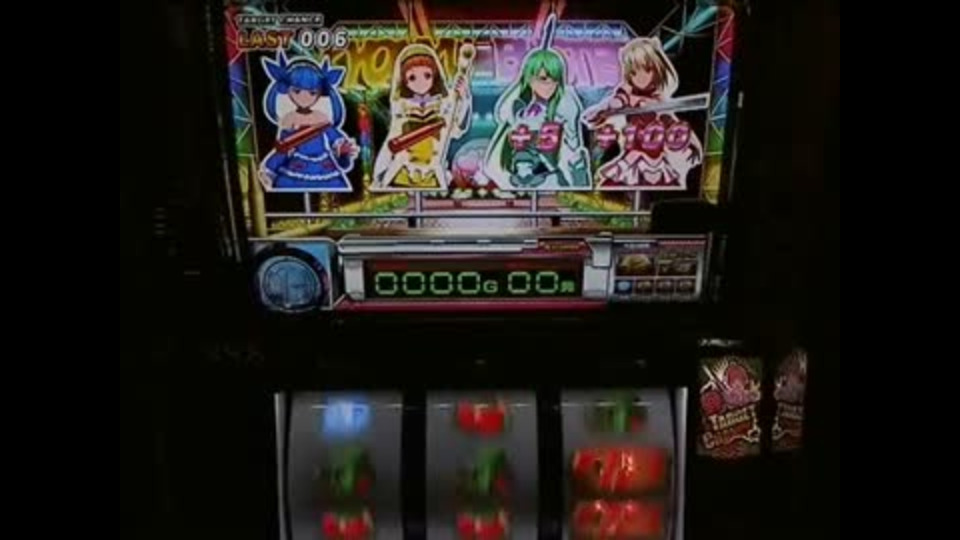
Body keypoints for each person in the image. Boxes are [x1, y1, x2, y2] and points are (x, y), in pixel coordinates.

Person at [258, 51, 358, 191]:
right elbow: (283, 148)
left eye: (312, 92)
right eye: (297, 91)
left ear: (320, 93)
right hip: (296, 168)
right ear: (288, 91)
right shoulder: (290, 120)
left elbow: (335, 138)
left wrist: (342, 150)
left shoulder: (322, 119)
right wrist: (270, 168)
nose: (304, 97)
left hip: (324, 168)